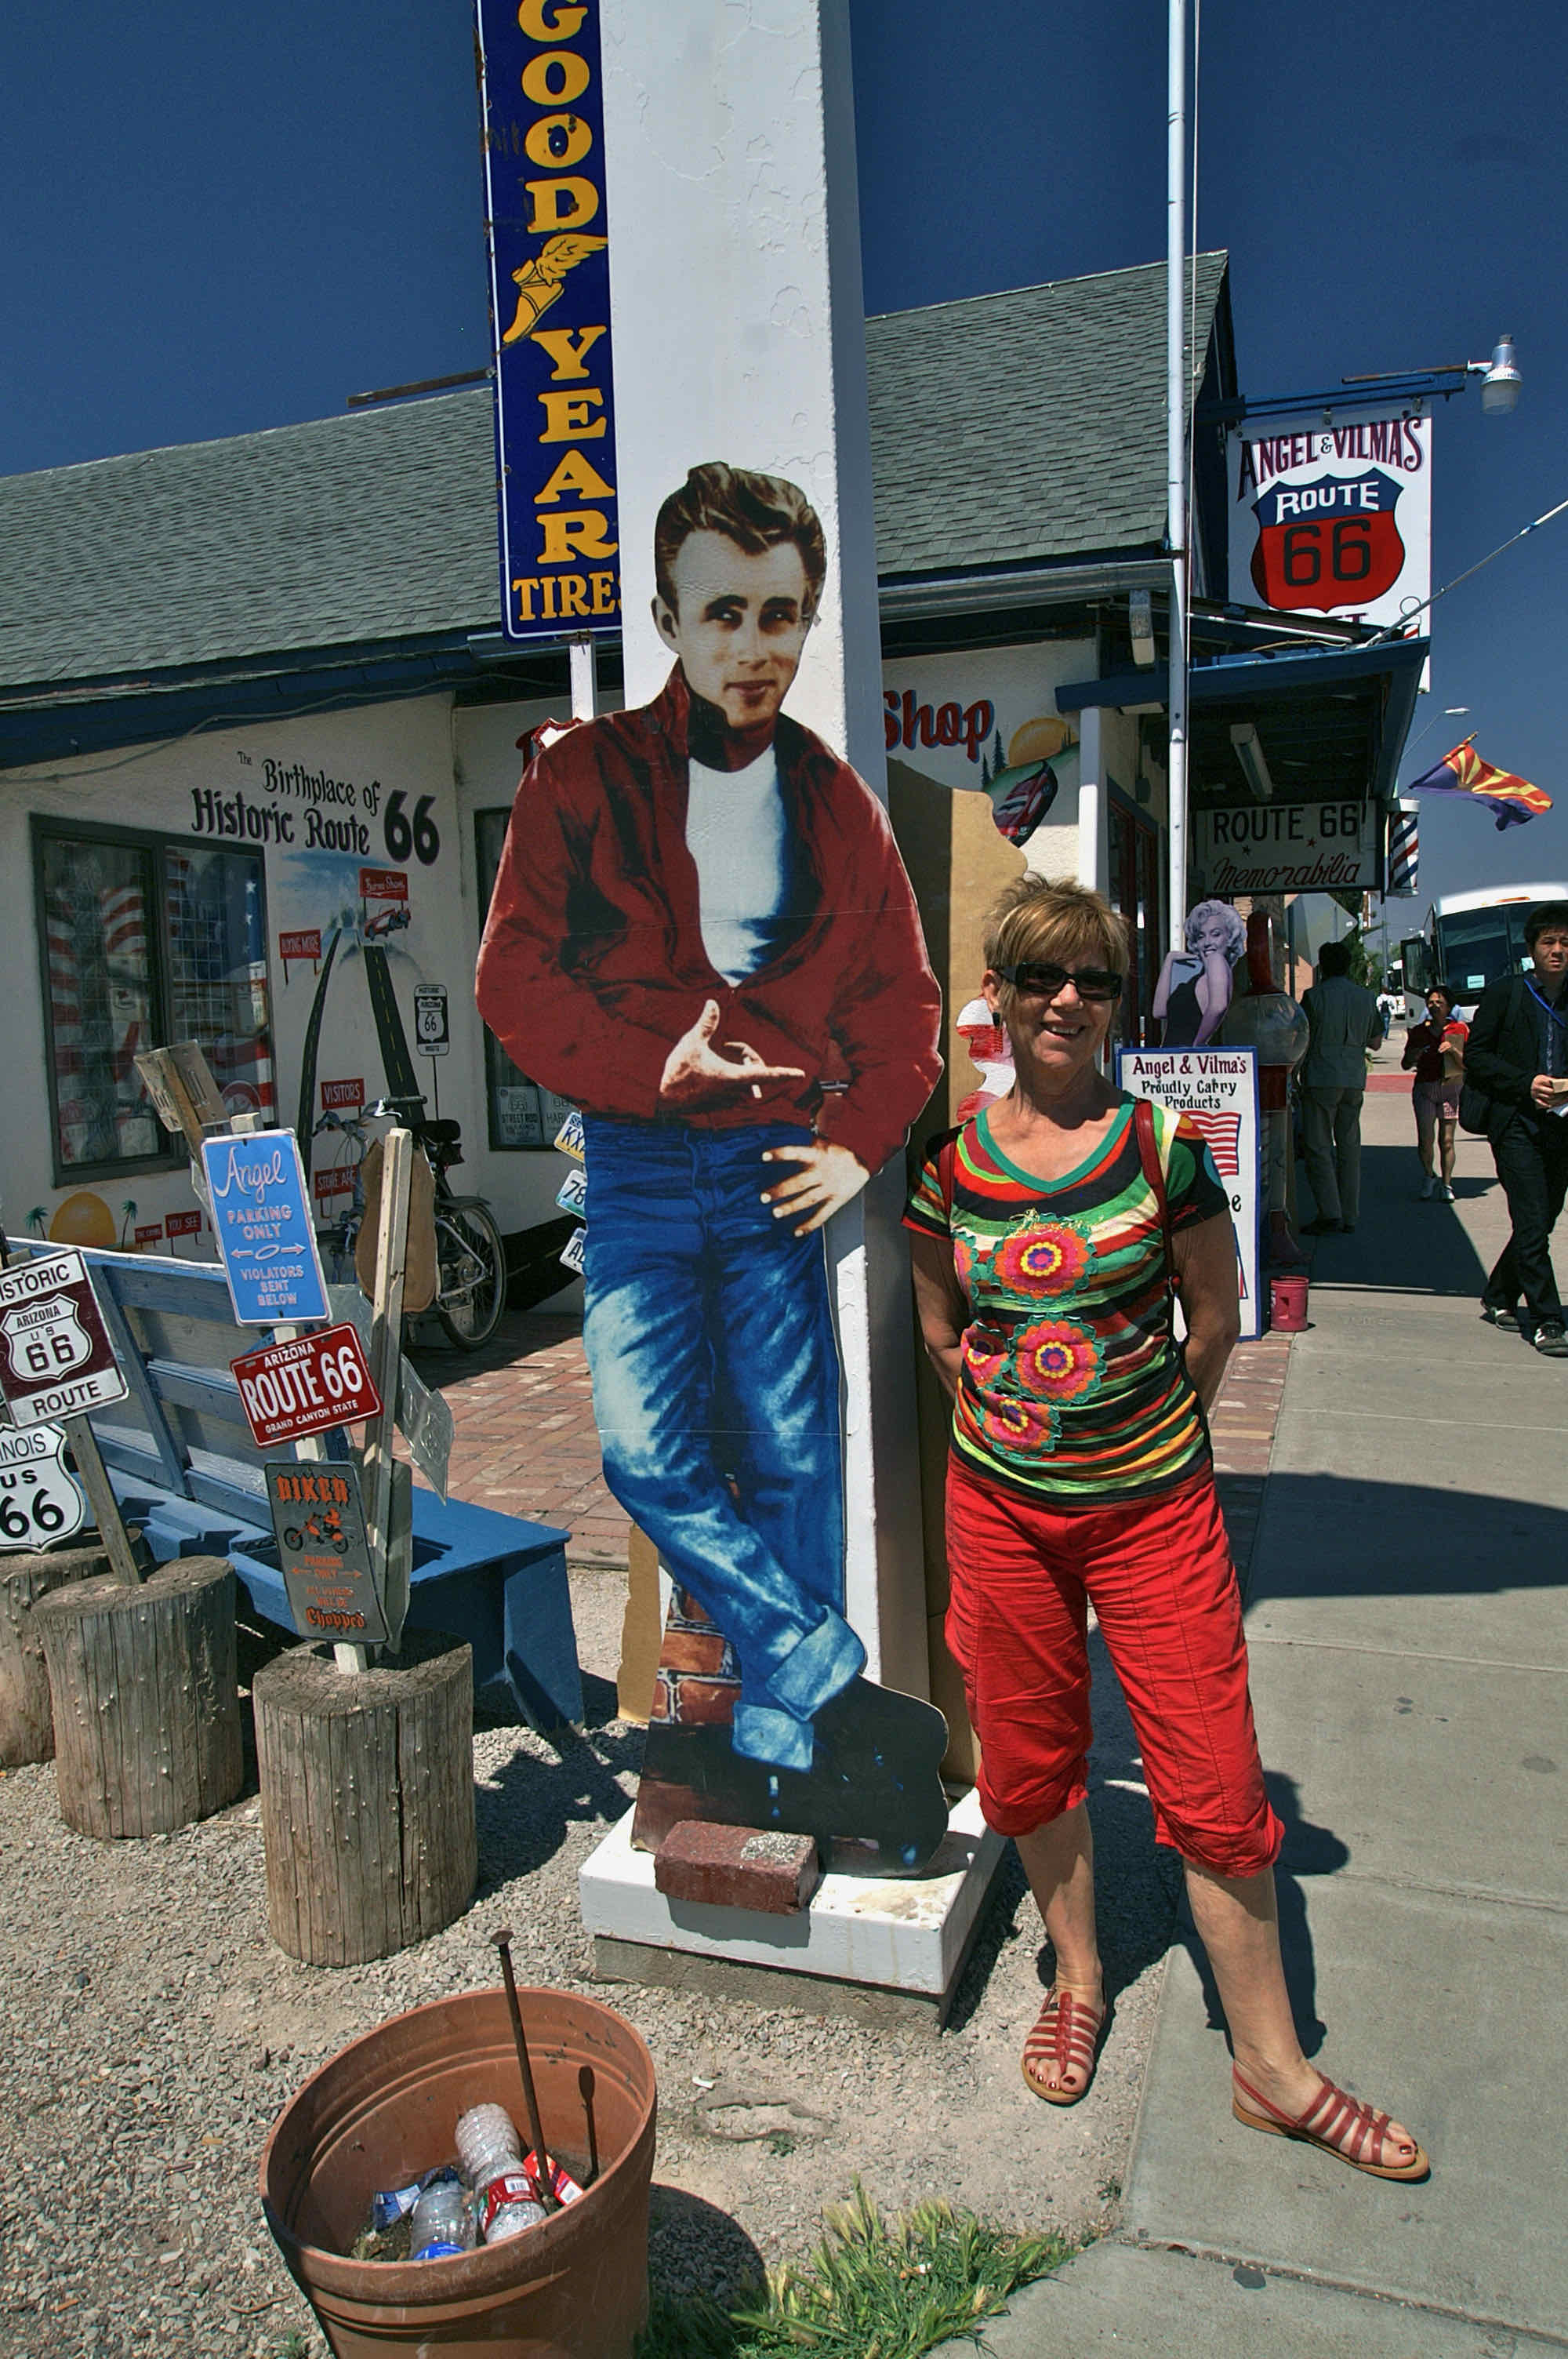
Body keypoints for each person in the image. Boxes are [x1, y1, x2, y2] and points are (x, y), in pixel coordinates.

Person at [904, 874, 1427, 2179]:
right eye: (1040, 976)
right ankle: (1077, 1976)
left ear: (1117, 999)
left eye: (1091, 979)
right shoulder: (950, 1166)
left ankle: (1273, 2066)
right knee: (1030, 1757)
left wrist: (1143, 1433)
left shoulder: (1160, 1150)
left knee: (1215, 1781)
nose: (1066, 999)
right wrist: (1009, 1416)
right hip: (1002, 1515)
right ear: (998, 993)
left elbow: (1215, 1316)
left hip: (1154, 1513)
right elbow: (940, 1328)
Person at [476, 461, 948, 1855]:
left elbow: (905, 1011)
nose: (754, 646)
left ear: (809, 620)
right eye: (724, 613)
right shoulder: (580, 777)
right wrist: (646, 1069)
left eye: (780, 615)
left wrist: (858, 1144)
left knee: (796, 1457)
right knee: (645, 1453)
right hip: (635, 1162)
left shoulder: (839, 804)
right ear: (670, 620)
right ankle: (829, 1677)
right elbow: (513, 979)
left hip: (773, 1165)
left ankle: (790, 1751)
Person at [1464, 900, 1568, 1354]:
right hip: (1515, 1124)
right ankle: (1548, 1319)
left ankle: (1500, 1294)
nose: (1558, 951)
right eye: (1549, 942)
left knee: (1542, 1219)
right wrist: (1526, 1083)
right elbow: (1477, 1057)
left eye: (1566, 943)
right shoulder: (1507, 994)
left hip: (1561, 1127)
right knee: (1529, 1218)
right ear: (1532, 949)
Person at [1299, 939, 1385, 1234]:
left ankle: (1330, 1212)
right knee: (1350, 1147)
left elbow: (1302, 1039)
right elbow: (1376, 1041)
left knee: (1319, 1146)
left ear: (1322, 966)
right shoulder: (1366, 998)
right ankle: (1350, 1214)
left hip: (1322, 1077)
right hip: (1354, 1079)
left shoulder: (1314, 997)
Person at [1401, 982, 1468, 1200]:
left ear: (1449, 1006)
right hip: (1425, 1088)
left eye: (1440, 1002)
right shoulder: (1419, 1032)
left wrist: (1454, 1051)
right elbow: (1405, 1064)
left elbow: (1468, 1064)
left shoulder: (1459, 1030)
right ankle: (1429, 1175)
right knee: (1425, 1139)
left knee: (1447, 1140)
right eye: (1430, 1002)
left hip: (1451, 1087)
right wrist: (1414, 1055)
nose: (1435, 1005)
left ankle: (1447, 1184)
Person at [1152, 897, 1246, 1047]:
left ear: (1230, 937)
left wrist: (1198, 1044)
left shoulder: (1216, 959)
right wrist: (1170, 959)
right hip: (1175, 1056)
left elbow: (1218, 1007)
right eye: (1201, 936)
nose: (1207, 942)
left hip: (1186, 1056)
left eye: (1216, 934)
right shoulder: (1206, 973)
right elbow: (1159, 1011)